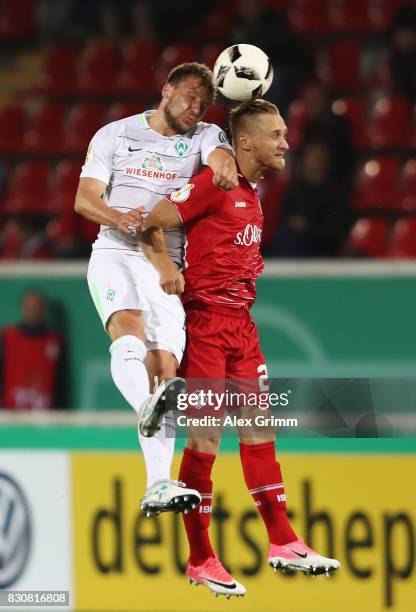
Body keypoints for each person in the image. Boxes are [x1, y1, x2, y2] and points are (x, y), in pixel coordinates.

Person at [138, 100, 340, 597]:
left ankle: (283, 541)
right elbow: (151, 221)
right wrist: (167, 268)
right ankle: (201, 558)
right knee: (206, 440)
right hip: (206, 325)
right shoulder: (211, 184)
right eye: (276, 135)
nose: (286, 143)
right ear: (245, 143)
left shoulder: (250, 189)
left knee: (259, 430)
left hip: (242, 328)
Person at [74, 62, 238, 515]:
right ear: (166, 89)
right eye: (188, 96)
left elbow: (220, 157)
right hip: (114, 252)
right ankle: (148, 419)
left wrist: (223, 164)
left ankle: (158, 484)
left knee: (166, 370)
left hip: (165, 262)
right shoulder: (114, 134)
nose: (195, 107)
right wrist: (117, 217)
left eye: (204, 103)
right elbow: (84, 198)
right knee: (128, 332)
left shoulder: (203, 134)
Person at [0, 291, 64, 410]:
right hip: (11, 413)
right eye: (29, 307)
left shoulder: (54, 341)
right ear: (23, 308)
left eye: (36, 307)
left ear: (43, 309)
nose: (33, 311)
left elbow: (60, 383)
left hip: (44, 416)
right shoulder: (8, 337)